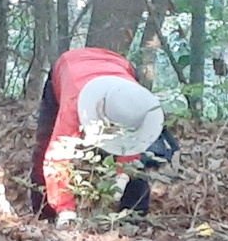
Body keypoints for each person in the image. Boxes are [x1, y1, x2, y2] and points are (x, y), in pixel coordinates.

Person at [29, 47, 168, 227]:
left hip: (119, 65)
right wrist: (66, 210)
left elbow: (133, 146)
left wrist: (122, 179)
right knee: (45, 144)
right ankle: (46, 215)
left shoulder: (133, 100)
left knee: (137, 161)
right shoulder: (74, 102)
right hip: (70, 68)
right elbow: (57, 158)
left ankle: (134, 216)